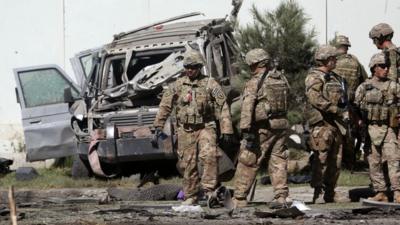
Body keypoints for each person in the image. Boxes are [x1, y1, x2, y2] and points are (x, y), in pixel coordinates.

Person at [153, 49, 234, 205]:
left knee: (209, 156)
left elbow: (222, 106)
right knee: (187, 162)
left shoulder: (210, 83)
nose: (190, 70)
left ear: (199, 67)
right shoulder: (177, 85)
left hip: (205, 126)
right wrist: (158, 125)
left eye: (193, 67)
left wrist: (226, 129)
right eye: (187, 67)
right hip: (185, 129)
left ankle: (209, 192)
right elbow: (165, 105)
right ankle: (191, 195)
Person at [232, 48, 291, 209]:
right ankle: (281, 197)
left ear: (254, 64)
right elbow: (289, 98)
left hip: (263, 128)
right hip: (281, 125)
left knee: (248, 160)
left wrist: (245, 128)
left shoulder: (255, 81)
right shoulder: (281, 78)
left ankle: (239, 197)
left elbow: (247, 106)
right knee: (278, 161)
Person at [354, 52, 400, 203]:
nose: (385, 69)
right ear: (374, 68)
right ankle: (381, 192)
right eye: (382, 66)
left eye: (387, 66)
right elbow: (355, 108)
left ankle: (397, 191)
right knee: (374, 161)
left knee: (394, 160)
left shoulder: (393, 86)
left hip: (388, 129)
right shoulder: (364, 87)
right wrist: (358, 122)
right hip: (370, 129)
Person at [305, 45, 347, 204]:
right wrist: (335, 109)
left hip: (336, 125)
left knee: (336, 160)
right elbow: (315, 98)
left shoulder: (335, 78)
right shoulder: (315, 77)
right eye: (333, 58)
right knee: (321, 159)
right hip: (322, 124)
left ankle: (330, 192)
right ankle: (319, 193)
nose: (336, 61)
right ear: (326, 60)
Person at [333, 35, 368, 168]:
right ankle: (349, 162)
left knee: (337, 133)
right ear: (347, 47)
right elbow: (364, 79)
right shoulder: (355, 61)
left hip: (336, 103)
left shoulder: (332, 61)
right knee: (350, 134)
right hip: (351, 103)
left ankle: (338, 163)